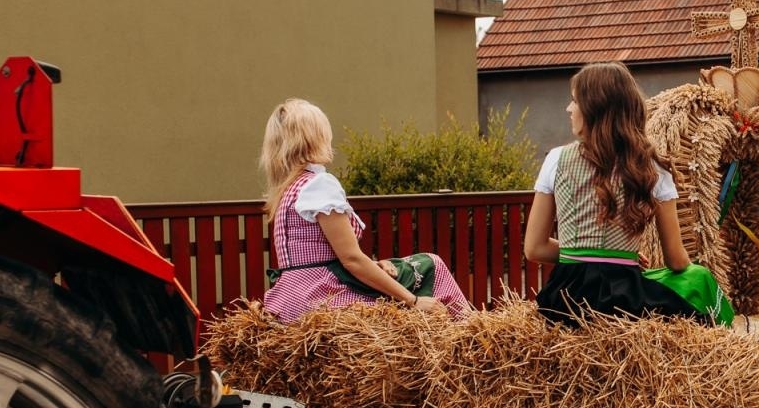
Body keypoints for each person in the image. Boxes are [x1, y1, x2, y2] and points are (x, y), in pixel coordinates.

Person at [524, 62, 730, 326]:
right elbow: (677, 261)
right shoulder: (652, 168)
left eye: (574, 101)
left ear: (594, 108)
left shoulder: (556, 160)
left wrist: (585, 252)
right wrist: (619, 256)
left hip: (564, 302)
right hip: (624, 301)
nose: (569, 109)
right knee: (700, 279)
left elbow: (534, 248)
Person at [259, 98, 472, 323]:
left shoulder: (287, 190)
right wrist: (413, 301)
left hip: (289, 298)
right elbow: (351, 259)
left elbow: (330, 256)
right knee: (431, 264)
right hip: (323, 297)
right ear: (315, 137)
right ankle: (473, 338)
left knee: (400, 269)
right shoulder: (319, 184)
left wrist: (375, 266)